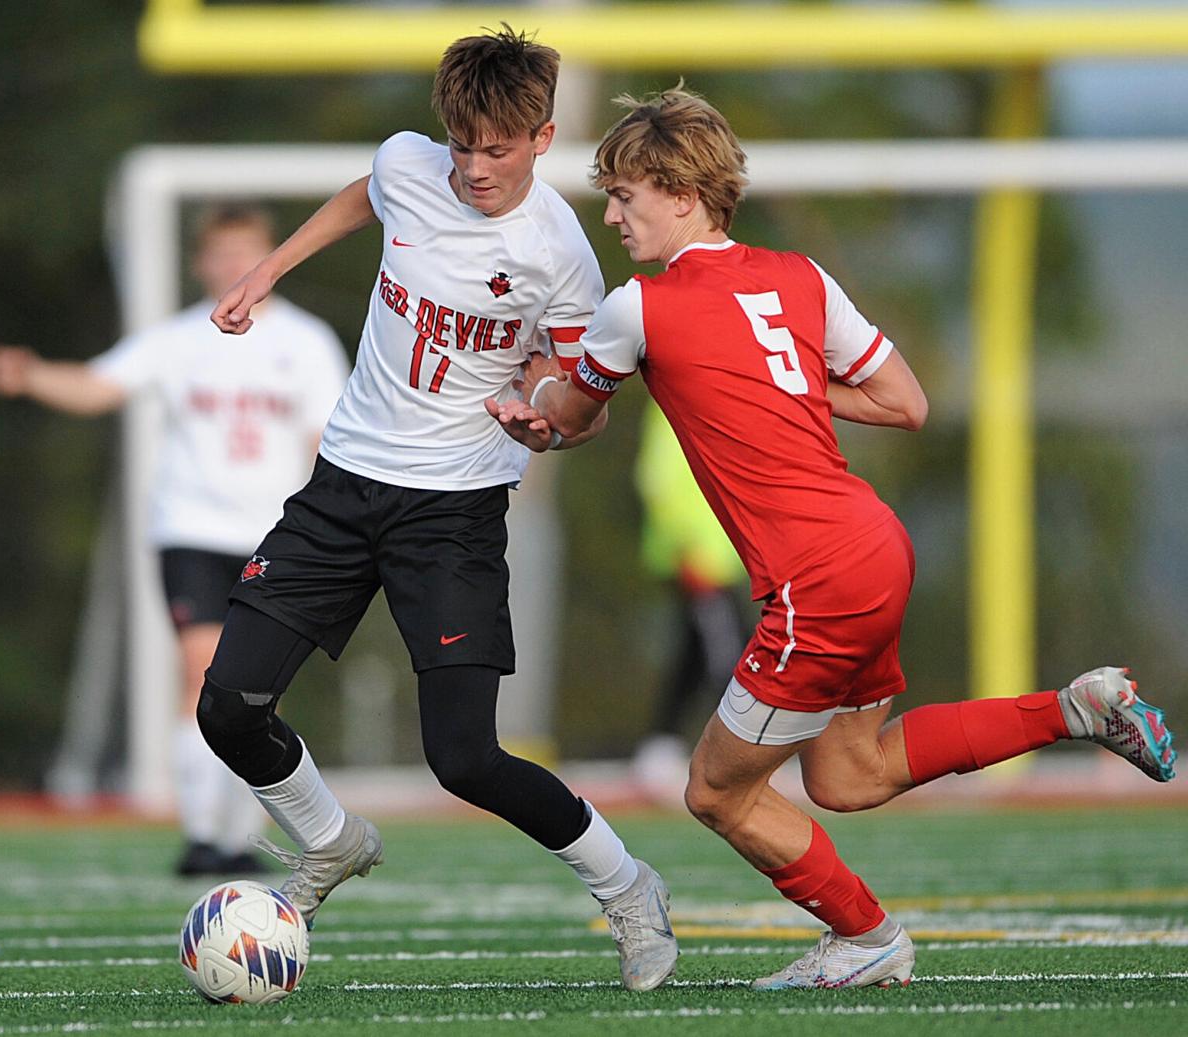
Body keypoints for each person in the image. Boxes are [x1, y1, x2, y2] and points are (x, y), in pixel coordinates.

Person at [489, 86, 1178, 990]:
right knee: (850, 775)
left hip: (815, 576)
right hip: (873, 546)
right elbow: (907, 402)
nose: (613, 215)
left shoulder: (636, 308)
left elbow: (571, 419)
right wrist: (784, 391)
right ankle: (1075, 709)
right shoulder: (802, 276)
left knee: (715, 790)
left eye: (626, 195)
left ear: (684, 194)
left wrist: (527, 394)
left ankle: (867, 936)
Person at [201, 26, 678, 993]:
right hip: (341, 487)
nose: (472, 165)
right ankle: (331, 842)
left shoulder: (560, 255)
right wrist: (269, 270)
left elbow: (578, 396)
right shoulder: (406, 166)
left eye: (496, 148)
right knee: (227, 708)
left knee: (463, 757)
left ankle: (630, 887)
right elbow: (363, 195)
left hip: (452, 513)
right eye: (459, 143)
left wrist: (545, 424)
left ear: (542, 137)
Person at [0, 204, 351, 876]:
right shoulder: (181, 338)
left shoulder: (305, 342)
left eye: (247, 250)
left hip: (277, 535)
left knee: (257, 691)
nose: (233, 265)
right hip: (192, 531)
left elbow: (325, 439)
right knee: (199, 672)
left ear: (272, 255)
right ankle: (200, 835)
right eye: (220, 253)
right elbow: (101, 385)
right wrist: (31, 374)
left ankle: (238, 837)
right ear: (200, 262)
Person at [631, 402, 748, 800]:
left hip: (717, 556)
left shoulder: (711, 402)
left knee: (696, 655)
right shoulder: (674, 402)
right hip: (697, 556)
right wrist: (684, 546)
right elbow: (659, 479)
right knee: (730, 656)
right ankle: (744, 757)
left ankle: (658, 749)